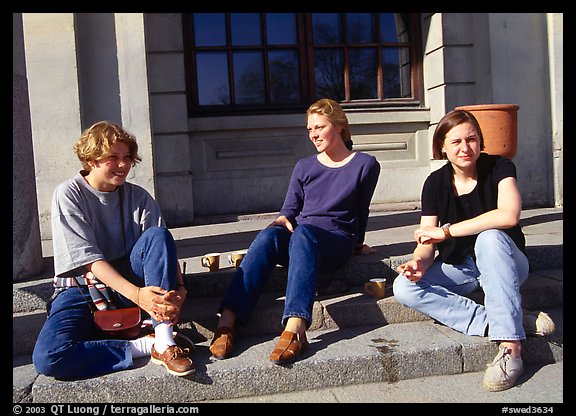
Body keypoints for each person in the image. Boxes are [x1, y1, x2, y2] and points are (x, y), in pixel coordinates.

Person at [392, 109, 555, 392]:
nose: (465, 148)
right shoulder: (435, 184)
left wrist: (446, 231)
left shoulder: (499, 167)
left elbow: (508, 215)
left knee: (489, 237)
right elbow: (425, 241)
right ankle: (506, 320)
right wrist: (418, 262)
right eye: (456, 142)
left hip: (507, 262)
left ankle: (511, 350)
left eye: (471, 139)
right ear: (442, 147)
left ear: (480, 141)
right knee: (403, 288)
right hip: (463, 269)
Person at [208, 98, 381, 365]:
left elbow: (361, 210)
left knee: (304, 233)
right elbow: (289, 210)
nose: (313, 135)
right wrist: (280, 221)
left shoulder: (365, 165)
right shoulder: (304, 166)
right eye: (310, 129)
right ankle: (228, 321)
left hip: (335, 243)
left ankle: (296, 328)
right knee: (270, 235)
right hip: (301, 240)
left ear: (339, 127)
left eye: (320, 127)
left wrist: (358, 243)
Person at [32, 121, 194, 379]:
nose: (123, 165)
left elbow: (162, 247)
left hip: (130, 280)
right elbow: (89, 260)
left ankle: (164, 339)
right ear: (91, 159)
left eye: (127, 157)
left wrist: (181, 290)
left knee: (157, 234)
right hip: (79, 288)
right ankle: (144, 345)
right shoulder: (68, 194)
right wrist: (138, 295)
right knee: (49, 358)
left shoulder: (139, 197)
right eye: (113, 158)